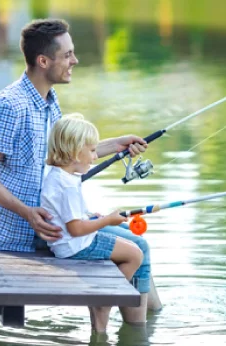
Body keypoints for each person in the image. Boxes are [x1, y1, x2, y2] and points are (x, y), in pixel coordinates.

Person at [0, 18, 161, 324]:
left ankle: (149, 322)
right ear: (43, 61)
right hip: (20, 234)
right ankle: (138, 334)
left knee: (133, 241)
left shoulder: (48, 102)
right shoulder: (10, 106)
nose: (75, 60)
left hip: (51, 223)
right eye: (68, 54)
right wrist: (28, 212)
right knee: (139, 247)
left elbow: (66, 157)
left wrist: (117, 144)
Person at [40, 113, 158, 331]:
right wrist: (106, 221)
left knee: (129, 242)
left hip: (69, 242)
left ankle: (107, 299)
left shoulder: (60, 176)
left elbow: (71, 216)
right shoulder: (66, 186)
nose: (95, 157)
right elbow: (75, 229)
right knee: (135, 254)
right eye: (92, 151)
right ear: (75, 153)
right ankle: (106, 300)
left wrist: (92, 217)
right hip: (77, 246)